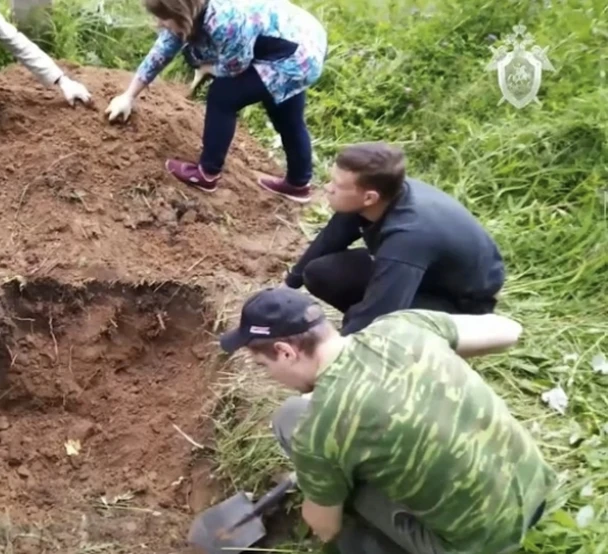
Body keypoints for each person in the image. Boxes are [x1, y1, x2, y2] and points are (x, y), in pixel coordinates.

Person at [218, 287, 555, 554]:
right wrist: (426, 359)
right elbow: (509, 330)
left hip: (481, 545)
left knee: (348, 541)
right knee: (295, 415)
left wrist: (317, 483)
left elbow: (325, 527)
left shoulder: (321, 430)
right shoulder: (401, 327)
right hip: (536, 488)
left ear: (286, 352)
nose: (271, 377)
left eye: (265, 366)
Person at [104, 0, 327, 203]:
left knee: (223, 96)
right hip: (301, 41)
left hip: (295, 55)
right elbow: (162, 51)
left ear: (180, 13)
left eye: (163, 17)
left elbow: (237, 66)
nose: (159, 23)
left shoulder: (225, 21)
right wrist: (128, 96)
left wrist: (208, 68)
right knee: (286, 115)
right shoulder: (193, 11)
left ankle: (206, 173)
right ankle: (298, 183)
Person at [285, 142, 506, 335]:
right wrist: (289, 286)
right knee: (320, 273)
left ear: (370, 197)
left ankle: (399, 347)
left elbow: (381, 312)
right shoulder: (381, 193)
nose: (327, 188)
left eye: (336, 185)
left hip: (461, 305)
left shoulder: (408, 237)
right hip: (425, 275)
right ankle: (365, 332)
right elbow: (330, 239)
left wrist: (337, 355)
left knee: (380, 324)